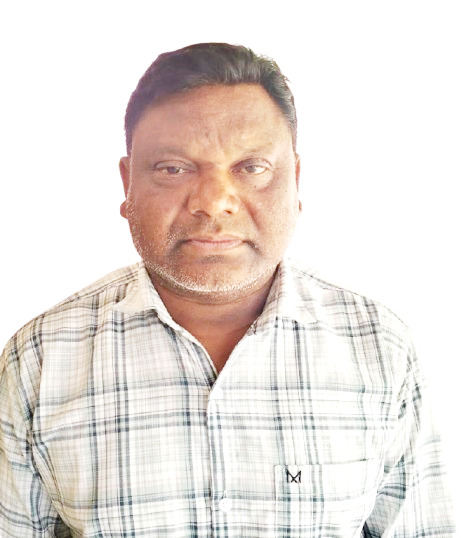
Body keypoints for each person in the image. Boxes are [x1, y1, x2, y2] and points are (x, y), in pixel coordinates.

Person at [0, 43, 455, 537]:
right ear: (128, 185)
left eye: (252, 167)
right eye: (173, 168)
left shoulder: (381, 348)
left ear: (295, 179)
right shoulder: (39, 360)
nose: (214, 202)